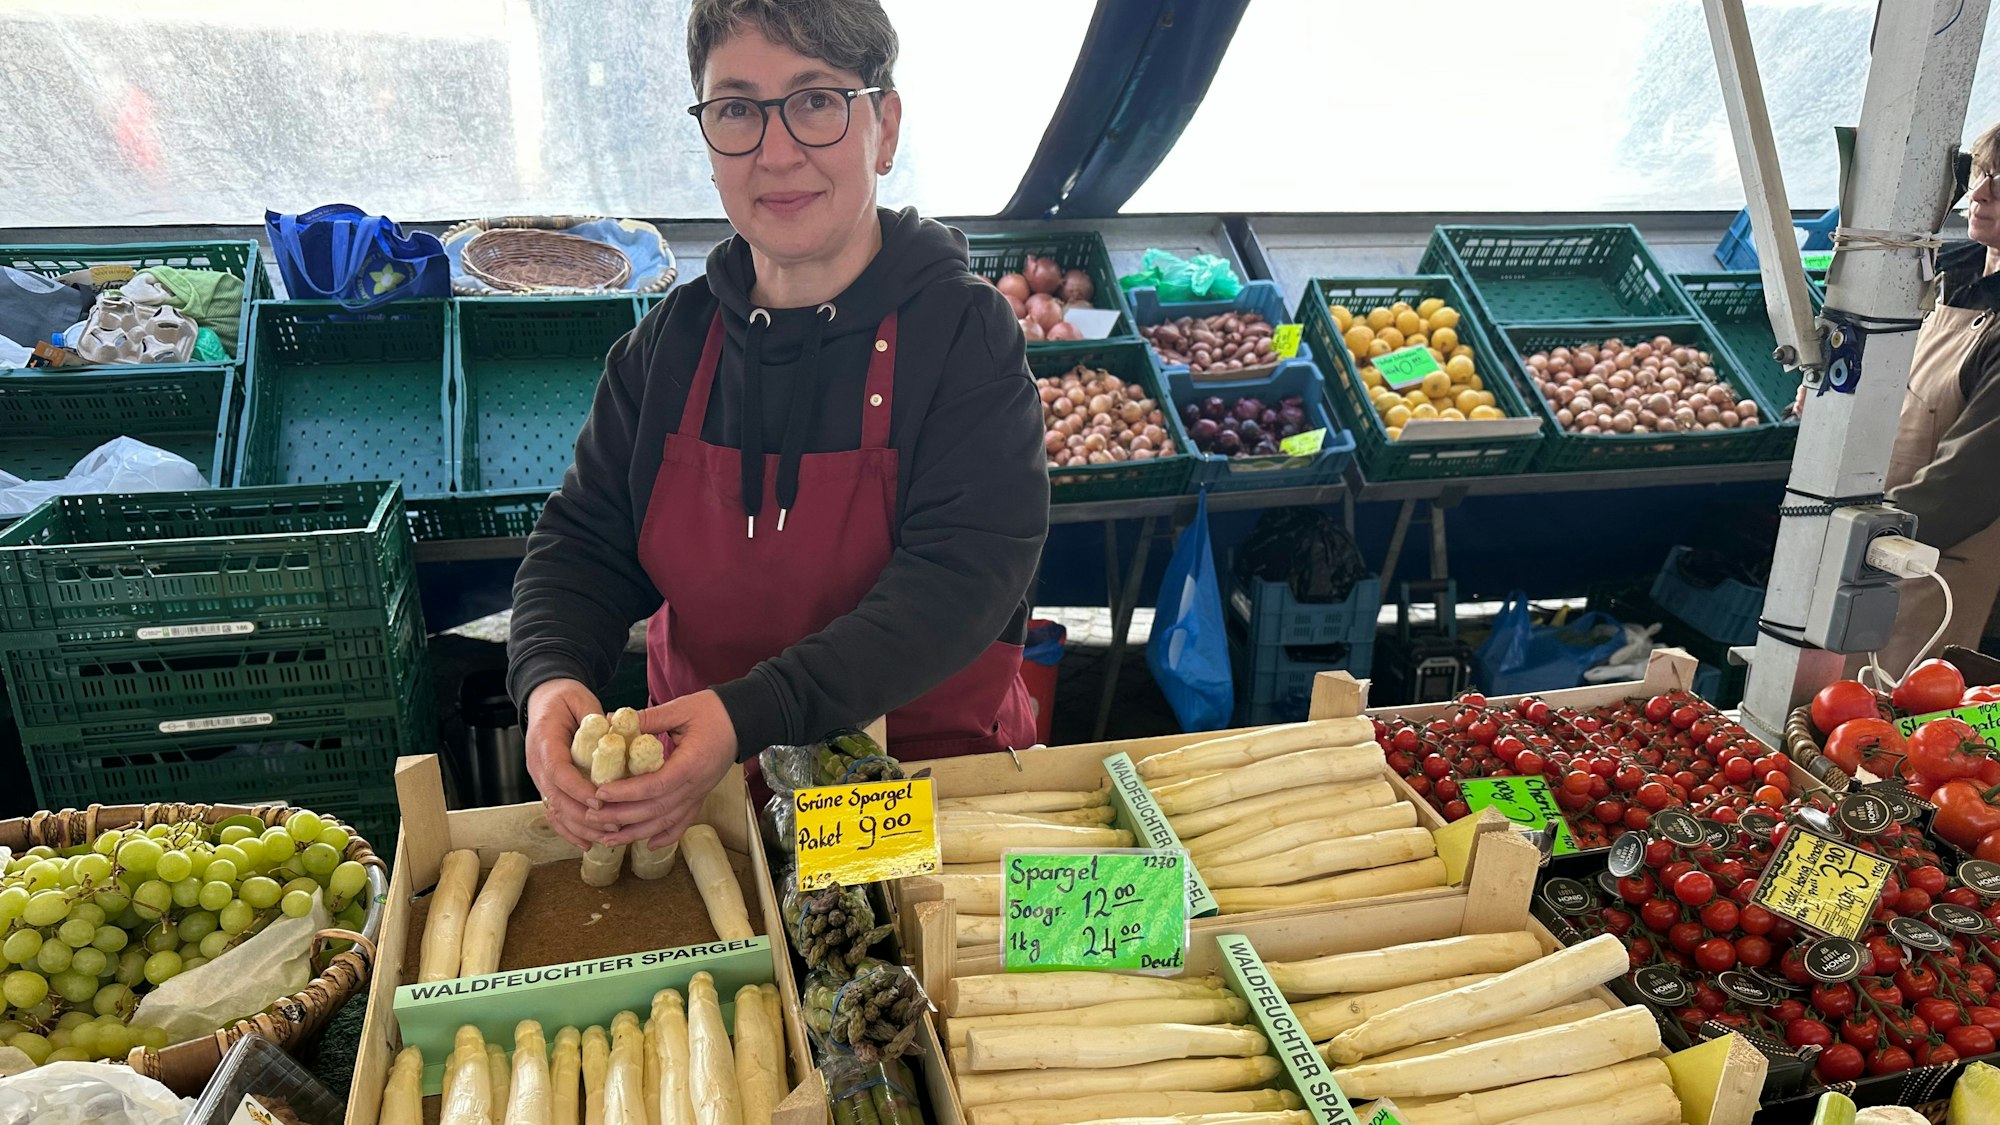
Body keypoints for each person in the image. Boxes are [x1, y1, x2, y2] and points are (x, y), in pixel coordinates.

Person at [508, 0, 1049, 854]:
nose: (777, 149)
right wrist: (547, 681)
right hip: (700, 811)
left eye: (816, 100)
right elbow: (581, 547)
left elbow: (961, 579)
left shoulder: (964, 336)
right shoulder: (666, 351)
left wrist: (747, 714)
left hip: (913, 803)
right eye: (737, 110)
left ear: (884, 126)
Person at [1874, 121, 2000, 674]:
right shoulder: (1951, 271)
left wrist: (1871, 535)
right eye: (1982, 174)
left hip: (1939, 554)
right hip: (1885, 527)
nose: (1980, 195)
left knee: (1894, 724)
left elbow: (1974, 475)